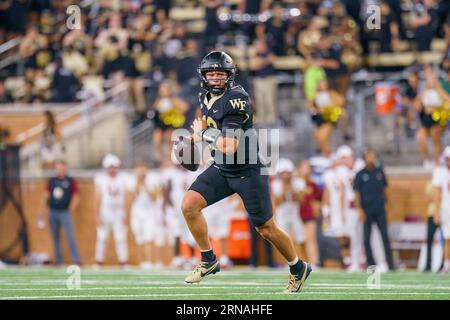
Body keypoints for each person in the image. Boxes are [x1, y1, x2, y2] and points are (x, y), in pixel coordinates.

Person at [179, 51, 311, 293]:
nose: (216, 79)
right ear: (204, 76)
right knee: (189, 205)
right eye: (212, 74)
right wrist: (193, 140)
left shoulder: (236, 99)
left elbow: (231, 146)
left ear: (230, 76)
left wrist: (202, 135)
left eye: (221, 74)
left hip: (247, 171)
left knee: (266, 228)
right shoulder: (205, 96)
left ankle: (298, 267)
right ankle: (208, 260)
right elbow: (212, 128)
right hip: (221, 168)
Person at [354, 150, 395, 271]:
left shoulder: (380, 172)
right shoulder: (360, 174)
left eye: (373, 156)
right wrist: (360, 209)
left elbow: (385, 190)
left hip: (380, 209)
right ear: (364, 158)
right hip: (366, 210)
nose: (371, 158)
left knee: (385, 237)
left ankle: (390, 264)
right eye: (369, 156)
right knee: (366, 239)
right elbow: (356, 193)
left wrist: (389, 207)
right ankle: (371, 264)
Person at [40, 159, 81, 266]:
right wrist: (45, 208)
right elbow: (46, 194)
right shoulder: (52, 181)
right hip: (53, 211)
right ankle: (59, 261)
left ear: (65, 168)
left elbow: (76, 196)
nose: (60, 170)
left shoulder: (70, 180)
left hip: (64, 212)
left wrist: (71, 208)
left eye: (62, 168)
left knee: (70, 236)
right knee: (55, 237)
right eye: (58, 168)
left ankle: (76, 260)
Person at [93, 154, 130, 268]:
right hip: (105, 211)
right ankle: (99, 261)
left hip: (119, 212)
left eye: (114, 167)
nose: (112, 169)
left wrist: (126, 214)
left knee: (121, 237)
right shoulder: (100, 179)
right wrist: (97, 216)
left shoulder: (124, 178)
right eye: (110, 167)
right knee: (102, 237)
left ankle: (123, 261)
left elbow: (127, 197)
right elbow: (97, 198)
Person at [129, 162, 163, 269]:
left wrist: (145, 184)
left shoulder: (152, 180)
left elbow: (154, 198)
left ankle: (149, 261)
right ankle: (142, 262)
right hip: (136, 213)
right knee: (139, 239)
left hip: (149, 213)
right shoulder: (131, 181)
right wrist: (138, 183)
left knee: (148, 237)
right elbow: (131, 198)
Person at [415, 65, 450, 169]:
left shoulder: (442, 87)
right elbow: (417, 106)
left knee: (436, 136)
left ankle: (437, 160)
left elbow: (448, 100)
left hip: (438, 118)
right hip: (426, 119)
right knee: (420, 137)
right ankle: (426, 160)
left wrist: (438, 88)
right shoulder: (423, 89)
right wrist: (425, 91)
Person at [272, 159, 305, 259]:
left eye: (288, 173)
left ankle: (303, 260)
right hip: (282, 214)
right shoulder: (276, 184)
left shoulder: (298, 183)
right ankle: (284, 262)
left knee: (300, 239)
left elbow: (300, 199)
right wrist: (284, 187)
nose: (286, 176)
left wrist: (291, 187)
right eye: (283, 173)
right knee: (282, 240)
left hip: (295, 214)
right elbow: (278, 202)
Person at [296, 159, 321, 268]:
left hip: (309, 215)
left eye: (307, 167)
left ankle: (314, 263)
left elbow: (319, 198)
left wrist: (317, 208)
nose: (306, 170)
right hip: (296, 215)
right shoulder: (295, 183)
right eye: (303, 167)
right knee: (299, 240)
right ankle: (300, 264)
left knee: (311, 239)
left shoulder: (312, 184)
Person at [431, 146, 450, 273]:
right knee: (447, 237)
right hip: (446, 208)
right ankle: (447, 264)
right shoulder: (440, 171)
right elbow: (437, 194)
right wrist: (436, 211)